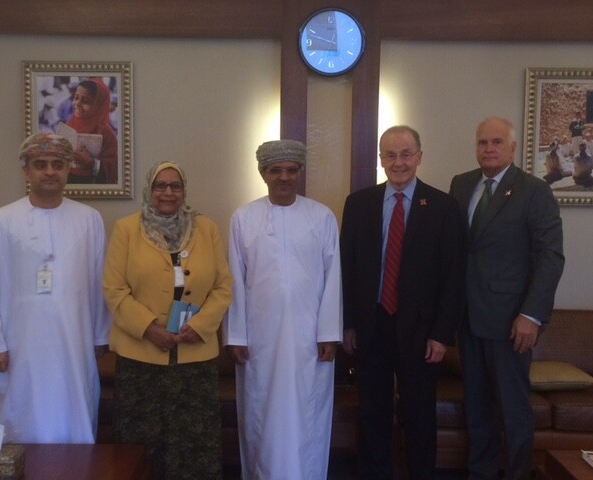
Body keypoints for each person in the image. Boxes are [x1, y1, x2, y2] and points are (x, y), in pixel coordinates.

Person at [0, 133, 111, 443]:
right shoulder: (0, 221)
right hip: (19, 343)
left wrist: (101, 334)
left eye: (57, 164)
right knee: (19, 416)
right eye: (41, 164)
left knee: (74, 414)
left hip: (74, 340)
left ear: (68, 169)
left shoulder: (90, 220)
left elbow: (100, 280)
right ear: (26, 171)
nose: (49, 171)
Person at [340, 125, 465, 479]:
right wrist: (348, 322)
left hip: (422, 331)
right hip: (371, 326)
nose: (399, 163)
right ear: (380, 159)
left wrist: (442, 334)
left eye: (406, 154)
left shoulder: (443, 207)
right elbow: (346, 269)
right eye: (390, 155)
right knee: (372, 413)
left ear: (419, 157)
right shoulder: (358, 204)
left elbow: (453, 276)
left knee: (419, 415)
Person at [449, 117, 564, 480]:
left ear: (513, 148)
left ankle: (516, 474)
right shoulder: (462, 184)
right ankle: (480, 473)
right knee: (477, 408)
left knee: (513, 411)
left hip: (511, 321)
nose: (489, 149)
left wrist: (531, 315)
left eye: (497, 142)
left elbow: (550, 256)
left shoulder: (534, 190)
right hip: (467, 318)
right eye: (482, 142)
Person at [103, 161, 232, 480]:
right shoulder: (126, 229)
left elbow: (223, 286)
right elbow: (114, 288)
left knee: (194, 440)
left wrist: (200, 326)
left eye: (175, 186)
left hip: (195, 358)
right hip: (141, 358)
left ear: (184, 191)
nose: (168, 192)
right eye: (160, 185)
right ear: (149, 190)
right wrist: (149, 328)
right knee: (142, 441)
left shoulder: (207, 229)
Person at [223, 139, 342, 480]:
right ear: (262, 173)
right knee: (261, 413)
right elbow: (234, 280)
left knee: (309, 414)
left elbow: (333, 279)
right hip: (259, 341)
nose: (284, 177)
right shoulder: (243, 218)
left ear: (300, 173)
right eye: (276, 170)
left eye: (291, 170)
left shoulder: (321, 217)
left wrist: (329, 333)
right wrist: (236, 336)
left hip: (310, 343)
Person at [66, 78, 118, 184]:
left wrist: (91, 162)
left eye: (85, 101)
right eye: (76, 98)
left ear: (98, 106)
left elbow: (114, 171)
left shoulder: (107, 134)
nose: (78, 103)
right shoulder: (71, 123)